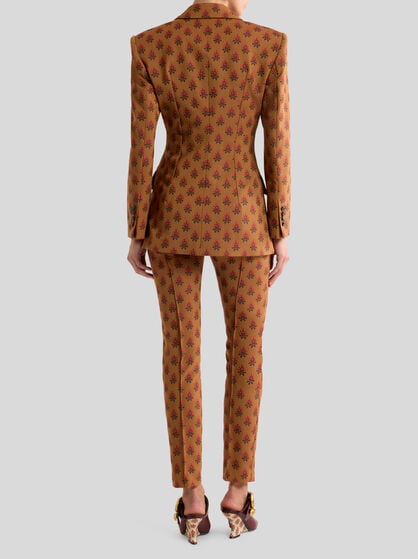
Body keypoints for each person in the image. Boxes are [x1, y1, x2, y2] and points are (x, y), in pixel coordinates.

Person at [126, 0, 291, 543]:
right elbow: (278, 142)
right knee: (246, 352)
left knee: (181, 353)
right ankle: (238, 494)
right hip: (244, 219)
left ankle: (192, 500)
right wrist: (280, 226)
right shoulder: (267, 45)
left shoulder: (151, 45)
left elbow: (142, 146)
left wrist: (137, 226)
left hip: (172, 215)